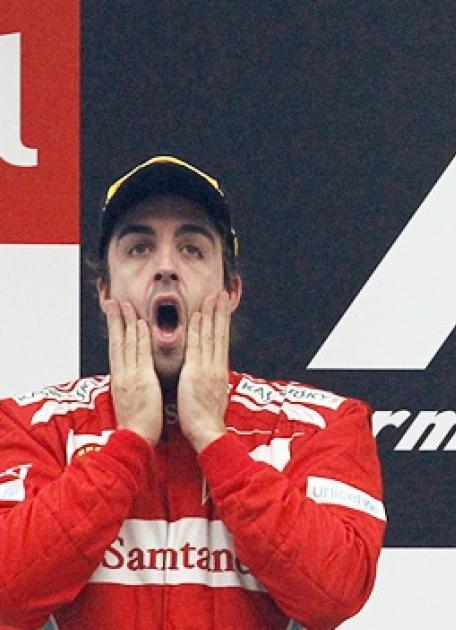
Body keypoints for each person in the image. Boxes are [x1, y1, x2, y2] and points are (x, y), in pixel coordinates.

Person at [0, 156, 386, 629]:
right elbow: (6, 594)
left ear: (231, 291)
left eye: (192, 249)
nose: (165, 267)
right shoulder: (32, 424)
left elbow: (336, 592)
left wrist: (213, 438)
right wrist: (128, 444)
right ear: (104, 291)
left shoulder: (321, 424)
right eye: (139, 248)